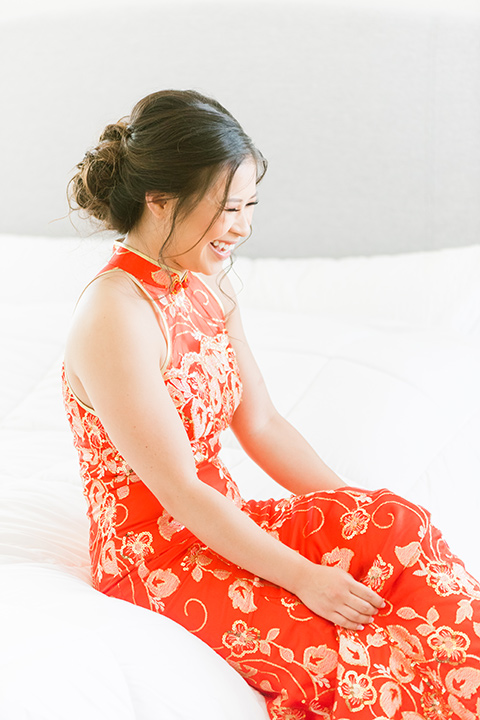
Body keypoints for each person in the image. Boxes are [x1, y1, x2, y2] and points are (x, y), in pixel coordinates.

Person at [64, 89, 480, 719]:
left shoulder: (209, 287)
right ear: (159, 200)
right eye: (228, 208)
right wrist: (304, 576)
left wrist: (356, 509)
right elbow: (179, 491)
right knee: (342, 655)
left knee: (396, 525)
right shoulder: (114, 315)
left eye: (250, 206)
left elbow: (261, 423)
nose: (243, 227)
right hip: (159, 557)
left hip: (223, 520)